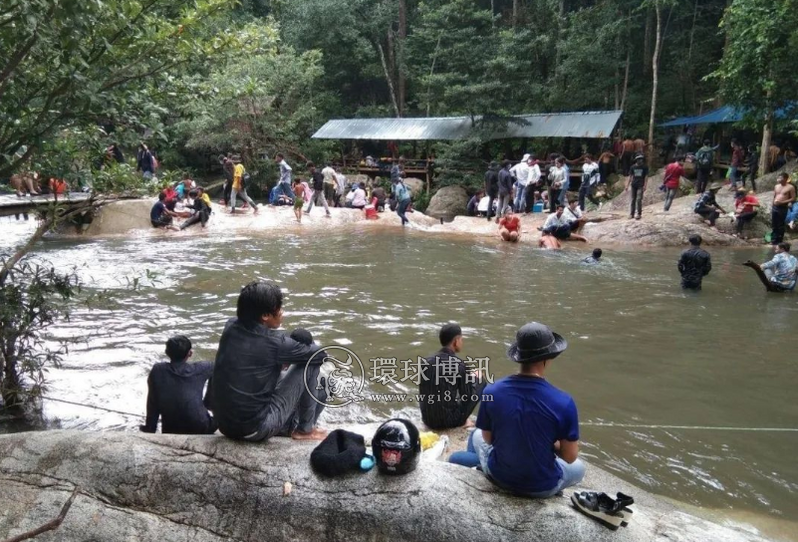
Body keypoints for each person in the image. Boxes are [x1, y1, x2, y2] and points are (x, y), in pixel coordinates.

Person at [450, 322, 585, 498]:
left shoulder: (492, 391)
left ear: (518, 356)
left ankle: (476, 465)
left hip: (500, 476)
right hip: (542, 487)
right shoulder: (564, 402)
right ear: (548, 358)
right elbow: (569, 456)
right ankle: (476, 463)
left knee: (476, 434)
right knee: (579, 468)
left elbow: (488, 439)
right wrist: (548, 442)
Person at [211, 281, 328, 442]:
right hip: (254, 429)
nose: (282, 312)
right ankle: (305, 430)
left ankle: (293, 425)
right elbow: (321, 355)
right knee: (312, 364)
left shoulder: (230, 326)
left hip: (223, 424)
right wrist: (300, 345)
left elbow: (259, 349)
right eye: (279, 309)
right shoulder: (275, 343)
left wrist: (286, 354)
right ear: (265, 315)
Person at [140, 335, 216, 435]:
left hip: (171, 429)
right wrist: (209, 400)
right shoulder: (202, 368)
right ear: (190, 353)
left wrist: (150, 428)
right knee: (216, 374)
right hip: (201, 427)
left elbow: (152, 402)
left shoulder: (158, 370)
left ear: (167, 353)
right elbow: (219, 367)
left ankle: (150, 427)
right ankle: (208, 403)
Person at [419, 324, 486, 431]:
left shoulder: (425, 362)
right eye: (461, 339)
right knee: (481, 380)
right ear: (456, 341)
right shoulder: (460, 365)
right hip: (450, 422)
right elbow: (467, 396)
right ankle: (469, 421)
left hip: (427, 419)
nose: (462, 343)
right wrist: (475, 378)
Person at [771, 173, 796, 245]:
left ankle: (779, 240)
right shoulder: (776, 186)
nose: (779, 179)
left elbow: (793, 198)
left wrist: (782, 202)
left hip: (783, 207)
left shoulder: (790, 187)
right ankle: (774, 240)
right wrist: (772, 205)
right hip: (775, 207)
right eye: (778, 177)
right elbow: (774, 196)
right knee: (774, 224)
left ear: (785, 179)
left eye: (781, 178)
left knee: (780, 224)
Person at [625, 154, 648, 220]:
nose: (640, 160)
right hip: (633, 185)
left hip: (640, 185)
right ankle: (631, 214)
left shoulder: (644, 167)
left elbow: (646, 176)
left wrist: (645, 185)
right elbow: (630, 176)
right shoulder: (632, 167)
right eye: (639, 159)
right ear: (636, 160)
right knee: (633, 200)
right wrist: (627, 185)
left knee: (639, 199)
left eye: (641, 159)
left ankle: (639, 214)